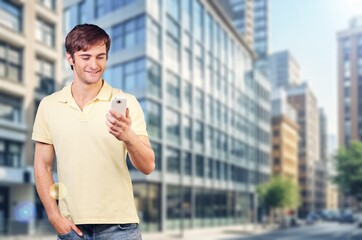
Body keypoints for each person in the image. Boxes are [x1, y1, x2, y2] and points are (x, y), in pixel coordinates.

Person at [32, 23, 155, 239]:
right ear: (70, 58)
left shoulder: (127, 103)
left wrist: (128, 137)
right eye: (86, 57)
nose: (94, 64)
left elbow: (147, 166)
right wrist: (53, 215)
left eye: (101, 56)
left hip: (120, 227)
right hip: (71, 228)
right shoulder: (49, 105)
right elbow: (42, 164)